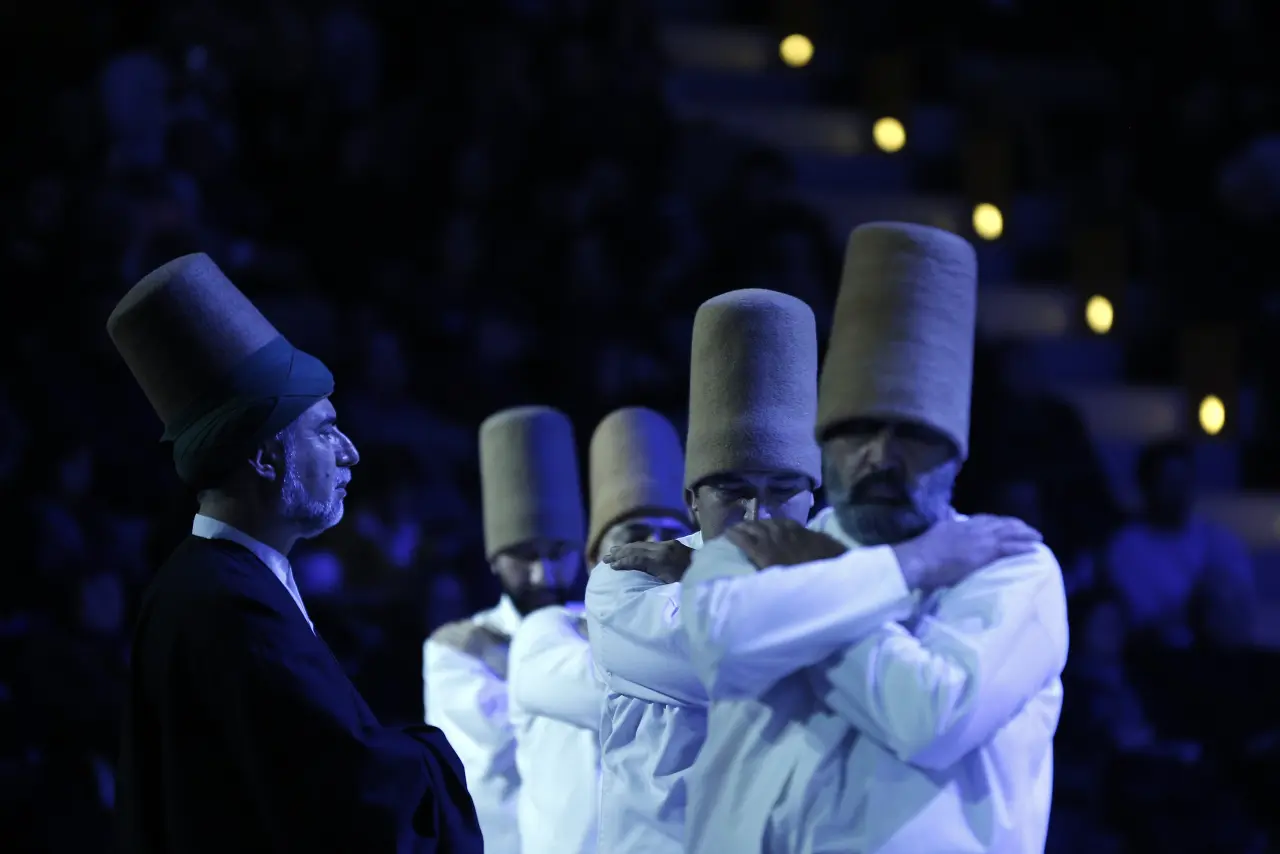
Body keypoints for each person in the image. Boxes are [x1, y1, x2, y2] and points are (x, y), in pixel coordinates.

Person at [678, 223, 1067, 853]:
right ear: (824, 445)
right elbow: (720, 647)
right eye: (858, 431)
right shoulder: (753, 549)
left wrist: (811, 591)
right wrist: (909, 567)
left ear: (955, 454)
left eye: (912, 434)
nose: (881, 457)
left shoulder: (1009, 564)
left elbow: (931, 719)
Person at [109, 253, 481, 853]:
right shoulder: (230, 604)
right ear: (264, 457)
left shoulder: (208, 583)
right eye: (325, 430)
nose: (350, 451)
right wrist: (438, 754)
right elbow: (348, 790)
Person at [586, 289, 823, 854]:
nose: (757, 515)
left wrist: (696, 571)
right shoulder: (626, 579)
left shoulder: (838, 574)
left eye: (783, 490)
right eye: (733, 492)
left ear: (814, 497)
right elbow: (731, 659)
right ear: (693, 500)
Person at [506, 406, 691, 854]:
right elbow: (618, 681)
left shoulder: (699, 628)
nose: (654, 548)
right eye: (634, 533)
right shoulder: (546, 631)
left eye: (671, 534)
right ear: (594, 558)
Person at [424, 406, 587, 854]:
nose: (543, 574)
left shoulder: (594, 625)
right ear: (495, 560)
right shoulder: (455, 648)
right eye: (525, 555)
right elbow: (492, 752)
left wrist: (507, 663)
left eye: (558, 552)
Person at [1106, 437, 1255, 648]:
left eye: (1184, 481)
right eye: (1168, 482)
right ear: (1147, 486)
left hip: (1222, 654)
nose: (1178, 491)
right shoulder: (1126, 549)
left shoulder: (1220, 541)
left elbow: (1241, 609)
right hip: (1158, 658)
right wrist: (1193, 608)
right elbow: (1140, 622)